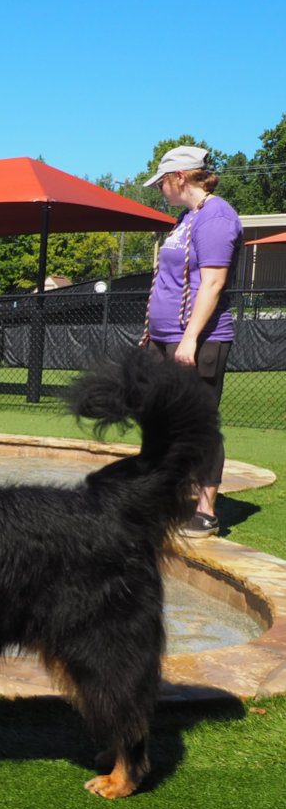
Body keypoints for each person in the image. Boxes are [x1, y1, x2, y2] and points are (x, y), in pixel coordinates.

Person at [141, 145, 242, 538]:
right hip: (164, 338)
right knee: (160, 419)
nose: (160, 191)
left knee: (198, 424)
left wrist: (189, 339)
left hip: (199, 341)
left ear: (179, 177)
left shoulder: (216, 217)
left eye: (162, 183)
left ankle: (205, 512)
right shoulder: (186, 218)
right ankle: (165, 496)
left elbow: (213, 282)